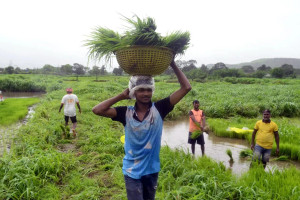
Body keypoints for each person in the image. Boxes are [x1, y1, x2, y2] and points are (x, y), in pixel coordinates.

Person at [92, 60, 191, 200]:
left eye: (149, 89)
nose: (146, 93)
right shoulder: (125, 113)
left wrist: (172, 63)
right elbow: (97, 110)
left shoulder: (160, 109)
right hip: (131, 171)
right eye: (141, 90)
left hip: (152, 170)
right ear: (134, 92)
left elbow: (186, 87)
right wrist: (121, 96)